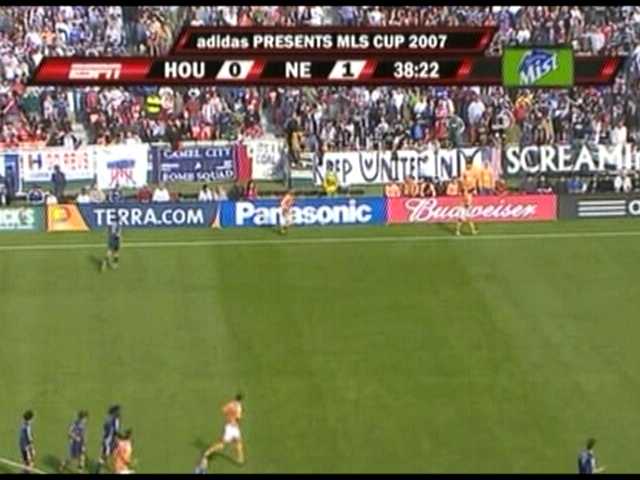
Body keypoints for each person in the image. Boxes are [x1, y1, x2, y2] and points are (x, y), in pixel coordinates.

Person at [200, 394, 245, 470]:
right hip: (231, 428)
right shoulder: (239, 407)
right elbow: (238, 418)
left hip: (231, 426)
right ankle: (207, 452)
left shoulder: (230, 404)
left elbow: (223, 409)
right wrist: (235, 417)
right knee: (221, 445)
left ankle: (240, 459)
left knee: (238, 442)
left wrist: (228, 415)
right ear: (240, 400)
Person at [96, 405, 121, 473]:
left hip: (105, 439)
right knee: (108, 456)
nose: (119, 413)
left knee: (105, 456)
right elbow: (115, 431)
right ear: (115, 412)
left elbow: (106, 428)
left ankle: (100, 469)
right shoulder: (115, 419)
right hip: (109, 441)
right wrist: (120, 438)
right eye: (118, 411)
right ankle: (112, 470)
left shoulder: (108, 418)